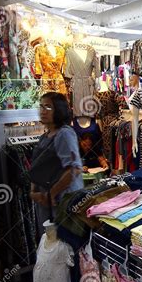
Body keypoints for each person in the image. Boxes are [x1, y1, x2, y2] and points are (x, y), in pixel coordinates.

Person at [30, 92, 84, 232]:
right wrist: (33, 191)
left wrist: (51, 194)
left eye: (48, 107)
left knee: (64, 245)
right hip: (46, 203)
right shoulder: (44, 137)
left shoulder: (64, 134)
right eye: (41, 107)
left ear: (59, 110)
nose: (43, 111)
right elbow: (37, 168)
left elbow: (74, 169)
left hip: (63, 201)